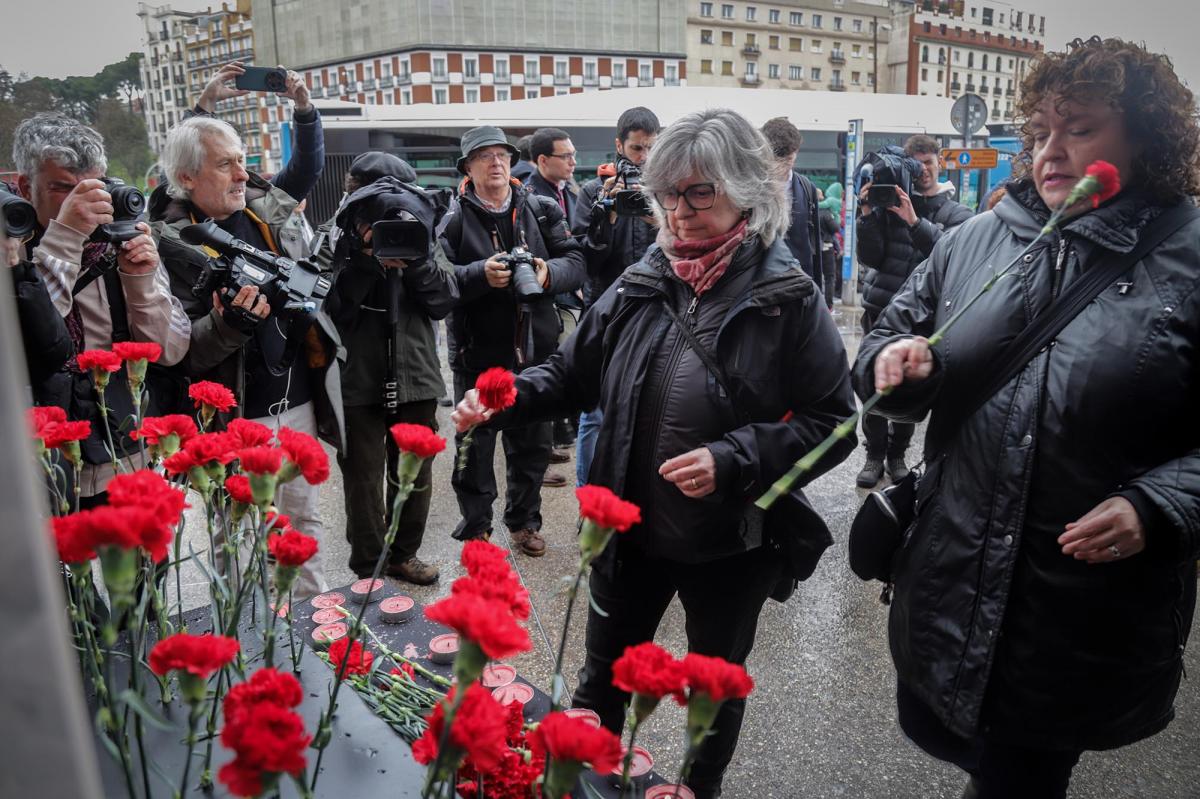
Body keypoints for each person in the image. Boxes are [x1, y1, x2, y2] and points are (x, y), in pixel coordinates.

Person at [453, 108, 856, 797]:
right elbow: (572, 373)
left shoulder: (788, 297)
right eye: (668, 192)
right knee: (600, 683)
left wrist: (735, 456)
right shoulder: (643, 277)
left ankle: (698, 788)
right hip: (627, 530)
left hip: (729, 541)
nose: (679, 212)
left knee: (711, 693)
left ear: (748, 192)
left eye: (700, 192)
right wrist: (506, 396)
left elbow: (835, 421)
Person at [851, 37, 1200, 799]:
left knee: (1022, 774)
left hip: (1077, 608)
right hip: (950, 575)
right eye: (1039, 131)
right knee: (965, 745)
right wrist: (894, 365)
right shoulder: (973, 240)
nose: (1050, 151)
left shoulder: (1191, 257)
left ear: (1146, 138)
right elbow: (888, 338)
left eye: (1080, 128)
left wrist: (1159, 504)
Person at [152, 63, 338, 598]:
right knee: (237, 535)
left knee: (303, 521)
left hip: (297, 400)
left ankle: (311, 620)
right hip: (231, 415)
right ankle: (245, 635)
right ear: (187, 178)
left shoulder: (263, 209)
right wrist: (230, 323)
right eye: (226, 164)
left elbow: (307, 166)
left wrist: (304, 108)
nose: (242, 174)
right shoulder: (168, 245)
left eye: (243, 161)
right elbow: (176, 352)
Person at [13, 112, 191, 502]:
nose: (83, 202)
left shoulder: (121, 239)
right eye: (63, 188)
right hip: (42, 467)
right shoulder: (12, 249)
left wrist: (141, 282)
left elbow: (172, 349)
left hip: (125, 457)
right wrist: (65, 238)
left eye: (93, 187)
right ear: (26, 187)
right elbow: (28, 338)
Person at [437, 125, 585, 556]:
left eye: (501, 155)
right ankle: (476, 528)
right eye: (484, 156)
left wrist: (547, 273)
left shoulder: (540, 208)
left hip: (536, 352)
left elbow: (576, 260)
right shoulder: (452, 217)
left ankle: (524, 522)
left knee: (532, 448)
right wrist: (478, 275)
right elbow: (436, 279)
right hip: (478, 353)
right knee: (475, 450)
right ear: (467, 168)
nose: (496, 163)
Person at [325, 152, 457, 584]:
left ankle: (403, 554)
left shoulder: (424, 233)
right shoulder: (336, 234)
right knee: (362, 475)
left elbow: (444, 299)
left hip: (415, 371)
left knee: (414, 472)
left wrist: (417, 262)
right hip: (357, 374)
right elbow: (330, 309)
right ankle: (369, 566)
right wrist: (364, 259)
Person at [854, 133, 972, 488]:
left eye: (928, 163)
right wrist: (868, 214)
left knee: (908, 382)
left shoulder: (955, 213)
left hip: (922, 315)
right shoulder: (888, 202)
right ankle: (874, 455)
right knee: (878, 382)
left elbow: (954, 258)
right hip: (880, 306)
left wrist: (915, 221)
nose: (923, 171)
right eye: (916, 165)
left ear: (940, 163)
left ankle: (898, 455)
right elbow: (870, 258)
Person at [571, 106, 660, 485]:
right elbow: (585, 261)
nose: (644, 157)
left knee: (650, 410)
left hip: (657, 312)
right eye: (637, 148)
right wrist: (604, 216)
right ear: (619, 145)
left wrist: (663, 221)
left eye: (650, 148)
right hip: (605, 311)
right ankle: (588, 498)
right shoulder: (595, 191)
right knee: (595, 411)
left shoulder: (668, 190)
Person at [524, 126, 584, 471]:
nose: (573, 162)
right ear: (543, 160)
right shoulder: (530, 198)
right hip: (545, 301)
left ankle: (547, 442)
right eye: (567, 156)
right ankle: (539, 452)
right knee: (546, 369)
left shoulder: (568, 192)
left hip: (567, 293)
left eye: (574, 154)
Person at [760, 117, 823, 291]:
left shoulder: (807, 188)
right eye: (775, 159)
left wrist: (818, 293)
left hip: (799, 285)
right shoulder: (751, 186)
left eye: (787, 160)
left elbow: (814, 244)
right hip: (761, 288)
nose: (780, 167)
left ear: (796, 153)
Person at [816, 188, 841, 311]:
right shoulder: (826, 213)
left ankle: (816, 305)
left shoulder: (810, 211)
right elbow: (835, 228)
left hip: (814, 248)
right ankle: (828, 306)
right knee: (829, 277)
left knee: (816, 276)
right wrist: (835, 216)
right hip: (826, 248)